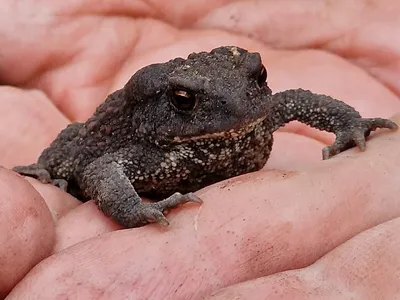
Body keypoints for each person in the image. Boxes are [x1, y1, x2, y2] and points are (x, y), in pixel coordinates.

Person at [1, 0, 400, 298]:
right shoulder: (153, 150)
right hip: (111, 136)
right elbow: (101, 168)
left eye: (257, 79)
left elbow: (297, 100)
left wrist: (349, 124)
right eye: (187, 100)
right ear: (174, 101)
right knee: (64, 155)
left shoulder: (258, 109)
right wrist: (135, 210)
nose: (240, 104)